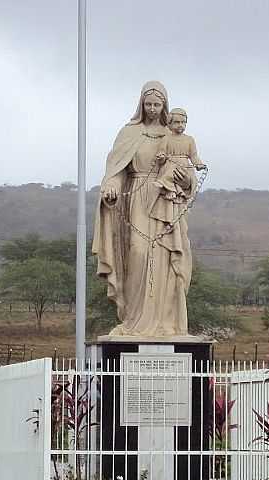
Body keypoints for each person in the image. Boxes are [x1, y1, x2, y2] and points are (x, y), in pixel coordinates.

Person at [92, 81, 195, 337]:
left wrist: (185, 178)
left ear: (164, 106)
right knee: (138, 253)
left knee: (167, 260)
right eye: (148, 104)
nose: (152, 109)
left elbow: (189, 174)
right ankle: (134, 321)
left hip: (166, 201)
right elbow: (115, 170)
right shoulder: (129, 133)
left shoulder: (173, 135)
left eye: (157, 104)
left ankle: (167, 324)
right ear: (141, 104)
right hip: (137, 199)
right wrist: (111, 187)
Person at [154, 108, 206, 202]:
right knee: (170, 173)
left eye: (183, 122)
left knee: (186, 177)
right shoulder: (166, 139)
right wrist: (161, 157)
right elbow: (161, 152)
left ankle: (179, 192)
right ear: (170, 123)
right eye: (177, 122)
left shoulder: (189, 140)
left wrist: (199, 164)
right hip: (171, 163)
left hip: (185, 165)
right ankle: (170, 190)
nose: (180, 125)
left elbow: (193, 156)